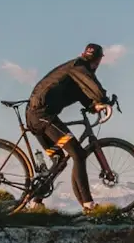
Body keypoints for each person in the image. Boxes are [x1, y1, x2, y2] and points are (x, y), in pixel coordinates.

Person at [25, 43, 113, 212]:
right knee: (78, 154)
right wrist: (104, 100)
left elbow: (83, 94)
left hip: (36, 115)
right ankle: (88, 204)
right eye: (97, 62)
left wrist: (94, 106)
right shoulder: (79, 66)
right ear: (98, 61)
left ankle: (36, 202)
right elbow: (92, 85)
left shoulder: (74, 72)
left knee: (59, 160)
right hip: (43, 116)